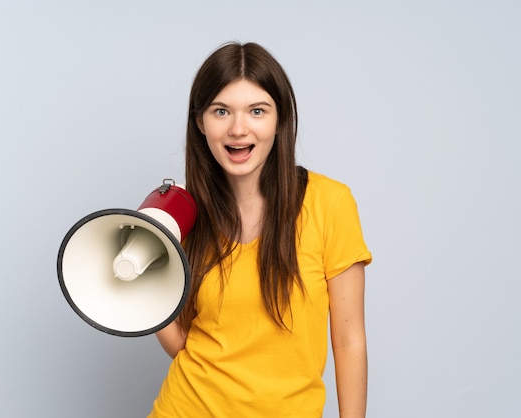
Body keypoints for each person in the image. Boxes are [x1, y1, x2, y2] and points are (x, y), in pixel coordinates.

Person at [149, 42, 372, 418]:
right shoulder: (182, 214)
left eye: (257, 111)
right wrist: (143, 288)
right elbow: (186, 344)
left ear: (279, 119)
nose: (238, 129)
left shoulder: (329, 203)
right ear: (201, 122)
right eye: (221, 111)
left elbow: (350, 342)